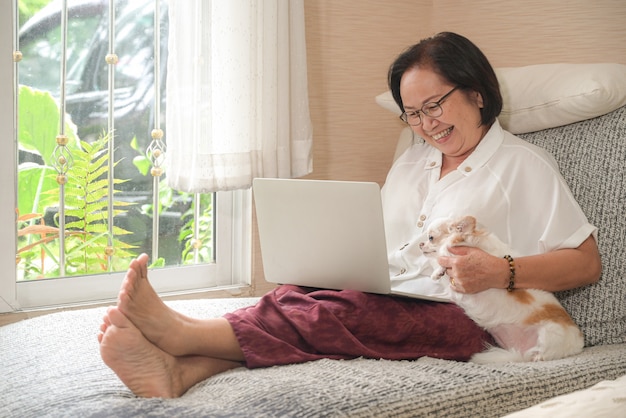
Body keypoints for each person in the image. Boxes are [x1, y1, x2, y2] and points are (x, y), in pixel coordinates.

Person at [98, 32, 601, 398]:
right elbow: (380, 244)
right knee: (299, 296)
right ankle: (182, 372)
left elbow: (585, 263)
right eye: (414, 114)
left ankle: (181, 334)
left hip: (469, 318)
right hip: (396, 292)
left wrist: (502, 270)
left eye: (435, 105)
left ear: (476, 93)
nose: (427, 124)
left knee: (343, 313)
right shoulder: (411, 161)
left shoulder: (521, 163)